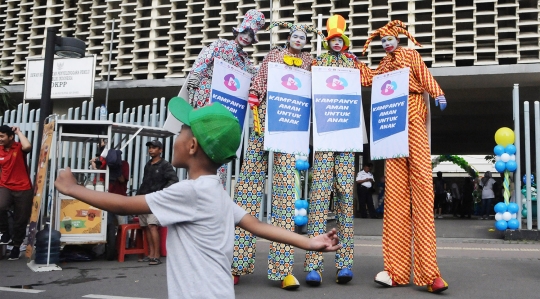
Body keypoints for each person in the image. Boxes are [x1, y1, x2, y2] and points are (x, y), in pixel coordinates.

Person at [54, 98, 341, 299]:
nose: (175, 137)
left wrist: (73, 189)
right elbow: (257, 225)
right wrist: (309, 242)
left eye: (180, 131)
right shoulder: (214, 190)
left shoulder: (189, 192)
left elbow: (126, 204)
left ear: (191, 145)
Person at [356, 20, 449, 293]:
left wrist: (437, 92)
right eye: (382, 41)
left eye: (390, 40)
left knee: (422, 185)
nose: (386, 44)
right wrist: (353, 63)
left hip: (413, 115)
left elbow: (424, 74)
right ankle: (395, 271)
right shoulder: (384, 64)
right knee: (395, 195)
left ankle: (430, 273)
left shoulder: (410, 55)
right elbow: (369, 78)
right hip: (391, 125)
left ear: (398, 39)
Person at [232, 21, 323, 289]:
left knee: (285, 195)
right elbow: (260, 79)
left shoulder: (309, 61)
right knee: (248, 189)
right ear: (287, 37)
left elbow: (323, 84)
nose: (298, 39)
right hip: (266, 122)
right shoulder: (272, 54)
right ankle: (236, 265)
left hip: (290, 129)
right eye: (295, 35)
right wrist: (254, 95)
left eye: (303, 37)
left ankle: (283, 269)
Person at [304, 14, 364, 287]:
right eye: (333, 40)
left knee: (345, 203)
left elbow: (370, 78)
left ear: (345, 42)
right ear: (328, 43)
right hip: (326, 138)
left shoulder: (353, 63)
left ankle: (345, 265)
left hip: (347, 139)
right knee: (318, 201)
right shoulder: (318, 62)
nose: (337, 43)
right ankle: (313, 265)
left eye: (340, 40)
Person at [186, 9, 265, 187]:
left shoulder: (246, 62)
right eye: (245, 32)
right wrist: (195, 76)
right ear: (238, 31)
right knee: (200, 142)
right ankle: (195, 185)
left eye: (251, 36)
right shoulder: (220, 45)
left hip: (225, 112)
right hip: (207, 99)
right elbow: (202, 61)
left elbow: (259, 76)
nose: (246, 37)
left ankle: (215, 188)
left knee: (218, 147)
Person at [136, 140, 179, 265]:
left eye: (154, 147)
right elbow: (145, 182)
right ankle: (150, 254)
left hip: (156, 201)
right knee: (146, 227)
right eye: (150, 147)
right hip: (144, 199)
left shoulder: (165, 165)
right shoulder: (148, 165)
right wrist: (138, 196)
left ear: (160, 150)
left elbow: (173, 180)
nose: (151, 150)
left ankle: (156, 256)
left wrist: (161, 193)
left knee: (152, 226)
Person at [90, 139, 130, 260]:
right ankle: (102, 250)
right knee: (105, 225)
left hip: (120, 199)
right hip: (106, 199)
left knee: (123, 225)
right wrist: (94, 163)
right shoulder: (103, 163)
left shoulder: (124, 164)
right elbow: (97, 175)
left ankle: (125, 249)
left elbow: (123, 180)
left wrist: (116, 169)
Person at [0, 125, 33, 261]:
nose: (0, 139)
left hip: (23, 188)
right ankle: (5, 232)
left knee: (21, 220)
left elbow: (28, 147)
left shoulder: (19, 147)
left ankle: (16, 246)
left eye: (2, 136)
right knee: (1, 206)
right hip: (5, 186)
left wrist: (19, 132)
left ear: (11, 137)